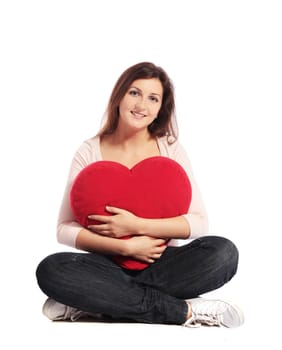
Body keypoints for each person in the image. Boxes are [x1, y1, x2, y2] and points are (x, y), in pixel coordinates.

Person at [36, 62, 244, 327]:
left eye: (153, 98)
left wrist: (136, 226)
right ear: (119, 96)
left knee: (223, 253)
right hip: (105, 265)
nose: (141, 105)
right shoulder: (89, 151)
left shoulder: (170, 148)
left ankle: (96, 301)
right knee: (51, 270)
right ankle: (184, 311)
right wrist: (124, 246)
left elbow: (199, 222)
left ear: (160, 109)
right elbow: (64, 228)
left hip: (162, 263)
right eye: (134, 93)